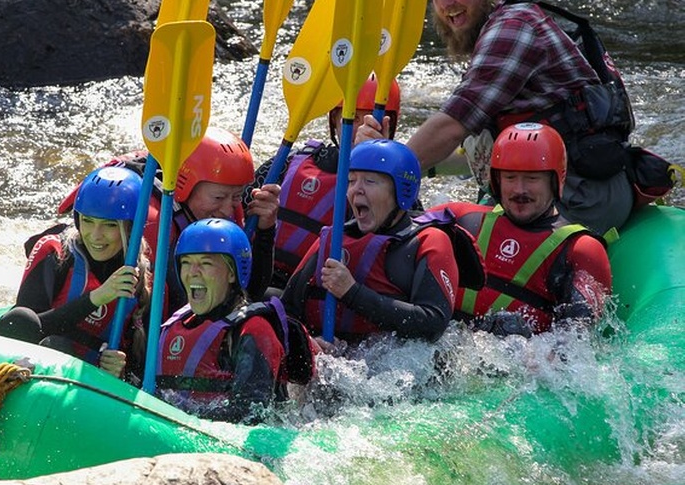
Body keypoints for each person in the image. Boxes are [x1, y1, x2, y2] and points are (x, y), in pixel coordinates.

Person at [358, 0, 636, 235]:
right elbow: (479, 144)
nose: (446, 4)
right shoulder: (500, 23)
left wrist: (383, 172)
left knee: (434, 239)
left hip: (582, 195)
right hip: (541, 189)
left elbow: (453, 125)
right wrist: (394, 152)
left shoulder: (513, 27)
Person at [58, 126, 281, 316]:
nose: (228, 209)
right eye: (218, 197)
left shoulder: (227, 210)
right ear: (184, 186)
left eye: (236, 196)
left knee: (274, 301)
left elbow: (247, 293)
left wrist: (265, 229)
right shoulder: (151, 221)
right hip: (120, 318)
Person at [281, 139, 480, 346]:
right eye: (351, 181)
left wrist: (352, 292)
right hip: (333, 360)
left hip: (393, 371)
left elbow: (433, 323)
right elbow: (288, 308)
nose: (356, 189)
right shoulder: (334, 237)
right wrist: (308, 343)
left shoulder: (429, 241)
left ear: (402, 191)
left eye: (370, 181)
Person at [435, 122, 611, 337]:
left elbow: (576, 342)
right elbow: (396, 226)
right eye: (510, 177)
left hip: (514, 362)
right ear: (496, 181)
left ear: (556, 181)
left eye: (532, 178)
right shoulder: (460, 219)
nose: (519, 189)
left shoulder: (580, 249)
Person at [0, 166, 150, 382]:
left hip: (91, 386)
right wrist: (96, 298)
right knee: (43, 334)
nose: (95, 236)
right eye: (87, 221)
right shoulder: (55, 253)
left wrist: (121, 369)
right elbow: (21, 326)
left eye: (110, 225)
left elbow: (145, 373)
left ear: (131, 228)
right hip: (38, 367)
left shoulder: (145, 282)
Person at [245, 74, 401, 290]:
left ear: (388, 127)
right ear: (334, 121)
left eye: (372, 119)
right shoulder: (286, 164)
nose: (360, 131)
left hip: (322, 301)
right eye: (352, 118)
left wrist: (377, 167)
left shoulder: (400, 188)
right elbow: (235, 208)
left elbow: (398, 246)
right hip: (263, 283)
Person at [155, 218, 314, 424]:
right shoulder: (175, 323)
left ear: (232, 273)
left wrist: (177, 419)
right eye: (186, 263)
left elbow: (252, 414)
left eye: (205, 263)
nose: (192, 272)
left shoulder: (254, 330)